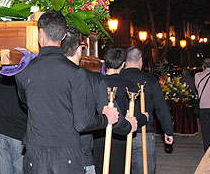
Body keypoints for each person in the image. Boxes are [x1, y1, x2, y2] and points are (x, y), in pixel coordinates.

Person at [15, 10, 119, 174]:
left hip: (36, 152)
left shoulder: (23, 72)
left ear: (40, 33)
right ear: (63, 36)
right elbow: (81, 123)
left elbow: (25, 102)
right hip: (67, 154)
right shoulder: (75, 73)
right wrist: (106, 119)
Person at [61, 27, 118, 174]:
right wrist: (125, 125)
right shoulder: (93, 79)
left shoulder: (46, 73)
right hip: (81, 154)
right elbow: (84, 122)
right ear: (79, 49)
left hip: (51, 153)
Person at [120, 46, 174, 174]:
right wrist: (168, 131)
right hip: (143, 132)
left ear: (125, 61)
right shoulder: (149, 80)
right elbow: (161, 108)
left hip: (120, 132)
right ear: (140, 60)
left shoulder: (118, 78)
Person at [93, 47, 145, 174]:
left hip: (99, 138)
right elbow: (136, 116)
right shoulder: (129, 85)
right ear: (123, 64)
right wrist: (144, 117)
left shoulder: (95, 83)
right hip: (120, 138)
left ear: (105, 63)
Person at [0, 73, 27, 174]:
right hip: (20, 135)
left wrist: (1, 73)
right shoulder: (26, 83)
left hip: (0, 133)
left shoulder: (0, 83)